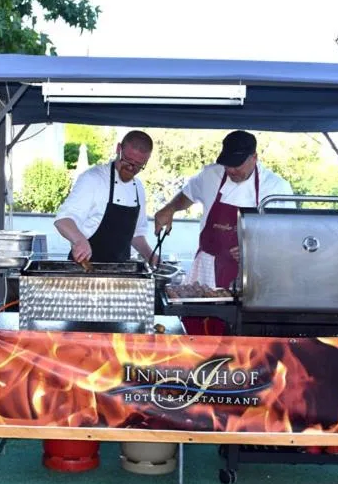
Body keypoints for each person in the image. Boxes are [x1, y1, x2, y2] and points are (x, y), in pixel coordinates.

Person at [153, 130, 293, 334]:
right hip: (207, 267)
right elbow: (187, 195)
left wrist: (255, 247)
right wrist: (170, 208)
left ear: (254, 157)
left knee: (237, 333)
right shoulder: (211, 174)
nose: (231, 170)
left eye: (237, 165)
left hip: (250, 273)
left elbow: (286, 235)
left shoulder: (275, 187)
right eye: (227, 164)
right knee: (197, 330)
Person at [54, 130, 156, 264]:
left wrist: (151, 256)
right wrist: (79, 239)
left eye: (138, 165)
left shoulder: (138, 188)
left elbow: (136, 234)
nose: (131, 168)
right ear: (118, 149)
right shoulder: (93, 179)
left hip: (121, 272)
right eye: (128, 160)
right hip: (86, 268)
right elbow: (63, 219)